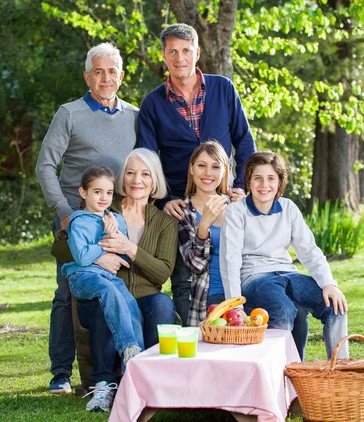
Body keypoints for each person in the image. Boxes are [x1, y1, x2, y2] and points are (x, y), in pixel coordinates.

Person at [36, 42, 138, 394]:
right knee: (67, 294)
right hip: (74, 221)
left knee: (117, 288)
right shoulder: (70, 113)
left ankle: (118, 367)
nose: (105, 78)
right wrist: (64, 214)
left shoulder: (135, 116)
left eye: (112, 72)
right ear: (87, 76)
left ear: (121, 76)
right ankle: (61, 373)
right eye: (98, 71)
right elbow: (45, 165)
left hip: (113, 221)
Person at [137, 23, 256, 325]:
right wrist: (163, 200)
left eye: (186, 51)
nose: (180, 58)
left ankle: (238, 330)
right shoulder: (153, 103)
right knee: (184, 280)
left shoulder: (223, 89)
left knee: (236, 269)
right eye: (172, 51)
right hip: (179, 206)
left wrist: (241, 185)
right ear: (163, 56)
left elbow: (244, 141)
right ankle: (190, 339)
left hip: (224, 198)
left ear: (197, 53)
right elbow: (147, 159)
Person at [220, 151, 349, 361]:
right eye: (257, 178)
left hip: (288, 273)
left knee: (336, 306)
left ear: (280, 182)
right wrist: (236, 305)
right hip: (255, 278)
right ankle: (284, 376)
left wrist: (329, 284)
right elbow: (230, 261)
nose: (264, 185)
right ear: (249, 181)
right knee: (285, 312)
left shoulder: (288, 208)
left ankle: (340, 372)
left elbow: (309, 250)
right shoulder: (236, 212)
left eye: (271, 178)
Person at [76, 149, 178, 412]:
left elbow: (162, 272)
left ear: (154, 181)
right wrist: (99, 258)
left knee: (163, 304)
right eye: (131, 172)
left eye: (145, 174)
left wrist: (129, 248)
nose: (137, 180)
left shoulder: (165, 222)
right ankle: (105, 385)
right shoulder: (104, 206)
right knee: (106, 300)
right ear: (122, 178)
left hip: (145, 300)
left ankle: (152, 382)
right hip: (105, 295)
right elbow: (65, 246)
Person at [62, 166, 144, 373]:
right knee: (108, 292)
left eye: (108, 193)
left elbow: (122, 258)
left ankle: (133, 369)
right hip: (83, 277)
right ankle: (128, 347)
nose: (103, 198)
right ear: (83, 193)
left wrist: (113, 234)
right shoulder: (78, 221)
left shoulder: (116, 221)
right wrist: (104, 244)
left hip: (108, 277)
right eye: (97, 192)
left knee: (131, 305)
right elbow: (81, 257)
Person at [178, 141, 231, 326]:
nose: (208, 173)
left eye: (215, 167)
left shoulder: (237, 208)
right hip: (209, 295)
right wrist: (203, 228)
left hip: (243, 289)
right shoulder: (183, 212)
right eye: (202, 165)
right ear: (191, 169)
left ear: (224, 171)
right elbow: (195, 265)